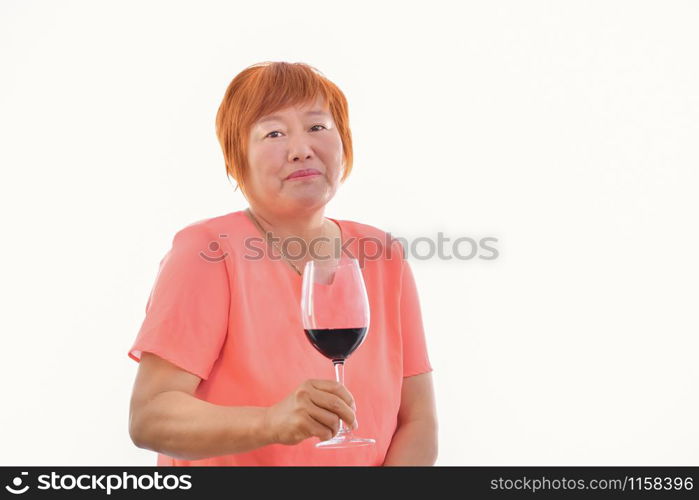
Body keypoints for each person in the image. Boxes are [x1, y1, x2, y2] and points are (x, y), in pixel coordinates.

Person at [127, 61, 437, 466]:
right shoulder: (207, 251)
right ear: (238, 157)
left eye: (317, 127)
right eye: (274, 133)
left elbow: (418, 419)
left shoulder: (382, 254)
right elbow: (150, 418)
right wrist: (272, 422)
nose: (301, 149)